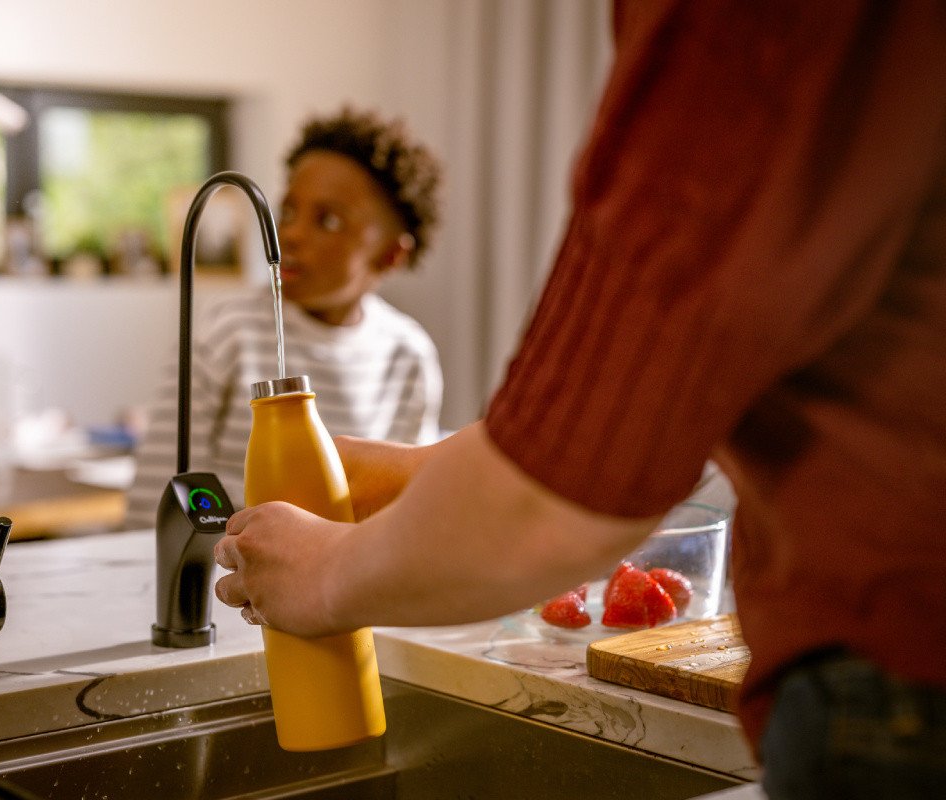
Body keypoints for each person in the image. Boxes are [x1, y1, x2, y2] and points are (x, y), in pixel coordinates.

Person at [213, 2, 946, 795]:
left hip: (903, 681)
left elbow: (567, 495)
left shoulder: (745, 23)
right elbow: (674, 405)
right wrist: (426, 475)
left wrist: (325, 576)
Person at [125, 107, 444, 526]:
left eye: (327, 220)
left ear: (389, 255)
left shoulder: (408, 355)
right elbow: (154, 504)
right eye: (288, 212)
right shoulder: (226, 333)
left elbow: (405, 513)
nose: (290, 234)